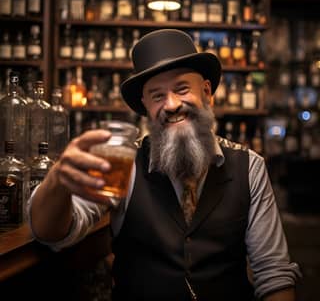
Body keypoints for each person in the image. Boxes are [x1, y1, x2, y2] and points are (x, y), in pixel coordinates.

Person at [28, 29, 301, 300]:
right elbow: (52, 233)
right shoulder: (124, 165)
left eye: (182, 89)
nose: (171, 105)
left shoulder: (250, 168)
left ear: (206, 92)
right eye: (157, 96)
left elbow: (273, 274)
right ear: (146, 106)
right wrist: (59, 180)